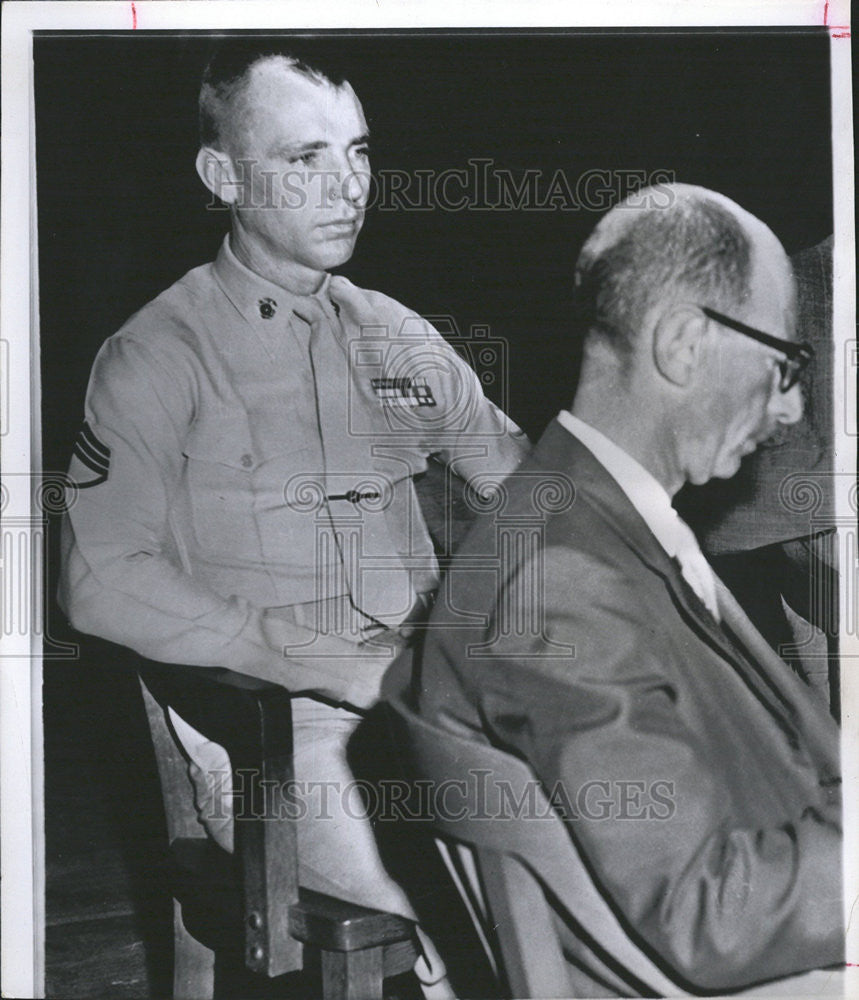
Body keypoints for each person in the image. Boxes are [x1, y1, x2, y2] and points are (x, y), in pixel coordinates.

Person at [58, 39, 527, 992]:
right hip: (275, 748)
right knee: (503, 876)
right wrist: (330, 664)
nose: (347, 185)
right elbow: (96, 581)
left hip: (435, 706)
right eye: (305, 159)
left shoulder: (397, 335)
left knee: (650, 829)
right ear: (221, 174)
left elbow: (531, 495)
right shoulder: (157, 354)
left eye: (357, 152)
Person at [393, 184, 843, 994]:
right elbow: (709, 912)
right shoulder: (562, 581)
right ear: (681, 345)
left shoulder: (577, 519)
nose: (791, 407)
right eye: (783, 364)